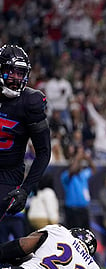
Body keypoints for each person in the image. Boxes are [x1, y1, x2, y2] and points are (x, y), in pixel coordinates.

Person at [0, 44, 51, 218]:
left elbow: (44, 151)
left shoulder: (30, 102)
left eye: (20, 73)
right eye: (11, 71)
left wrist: (25, 189)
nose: (15, 78)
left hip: (7, 176)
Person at [61, 146, 96, 229]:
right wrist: (78, 157)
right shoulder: (66, 175)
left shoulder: (83, 174)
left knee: (85, 232)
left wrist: (88, 158)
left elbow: (93, 169)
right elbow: (72, 170)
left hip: (84, 209)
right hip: (72, 210)